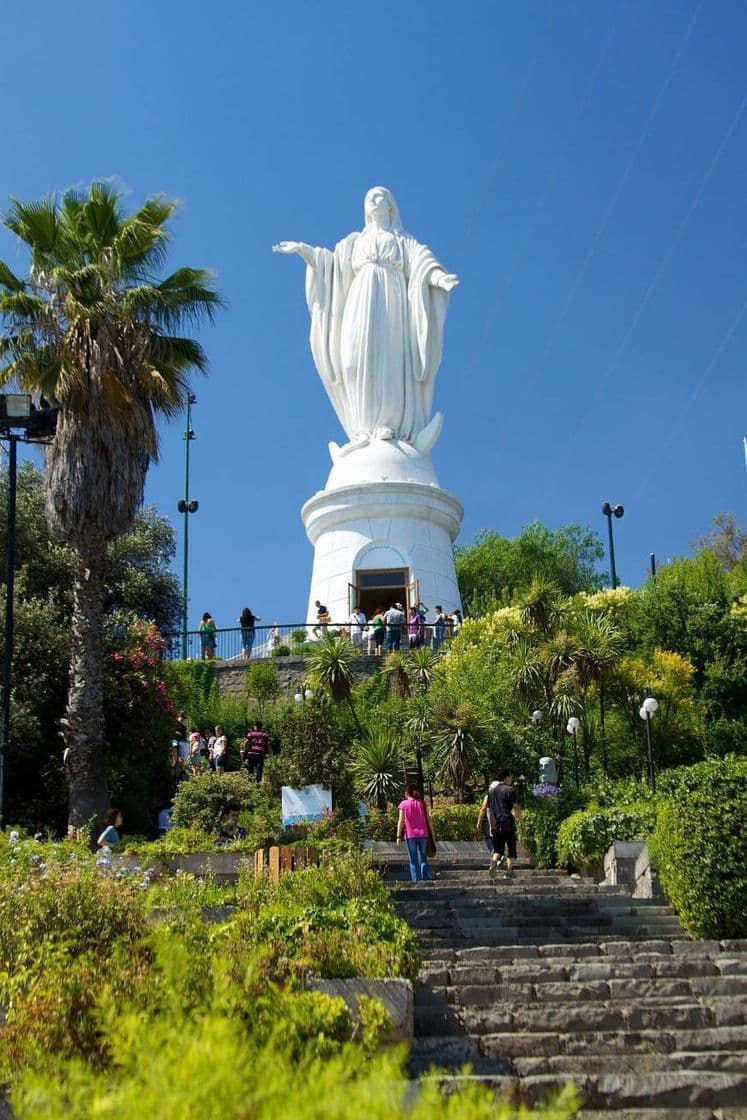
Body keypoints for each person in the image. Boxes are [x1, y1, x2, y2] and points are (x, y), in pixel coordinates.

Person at [273, 187, 458, 454]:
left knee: (389, 358)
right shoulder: (354, 242)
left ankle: (388, 425)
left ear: (391, 205)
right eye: (369, 196)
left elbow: (423, 263)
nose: (374, 198)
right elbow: (331, 266)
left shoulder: (402, 240)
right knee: (353, 358)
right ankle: (362, 427)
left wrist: (439, 279)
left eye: (380, 195)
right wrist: (303, 250)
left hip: (392, 299)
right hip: (360, 298)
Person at [487, 769, 523, 877]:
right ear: (506, 777)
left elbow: (488, 809)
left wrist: (490, 826)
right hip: (507, 822)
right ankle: (509, 871)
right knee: (511, 848)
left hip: (495, 824)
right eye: (511, 777)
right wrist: (521, 822)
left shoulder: (491, 792)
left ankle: (493, 864)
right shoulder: (509, 790)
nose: (511, 779)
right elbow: (516, 807)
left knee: (498, 849)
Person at [397, 785, 435, 883]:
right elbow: (429, 820)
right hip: (424, 835)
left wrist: (398, 836)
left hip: (411, 836)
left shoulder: (403, 804)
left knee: (413, 860)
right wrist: (432, 834)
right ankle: (425, 879)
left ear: (407, 793)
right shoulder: (422, 803)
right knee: (423, 858)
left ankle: (416, 881)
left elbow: (401, 820)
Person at [475, 781, 500, 854]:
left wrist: (479, 822)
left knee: (488, 838)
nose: (489, 788)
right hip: (502, 820)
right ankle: (498, 856)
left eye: (490, 787)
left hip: (490, 821)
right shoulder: (504, 796)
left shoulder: (488, 796)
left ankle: (495, 853)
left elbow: (483, 809)